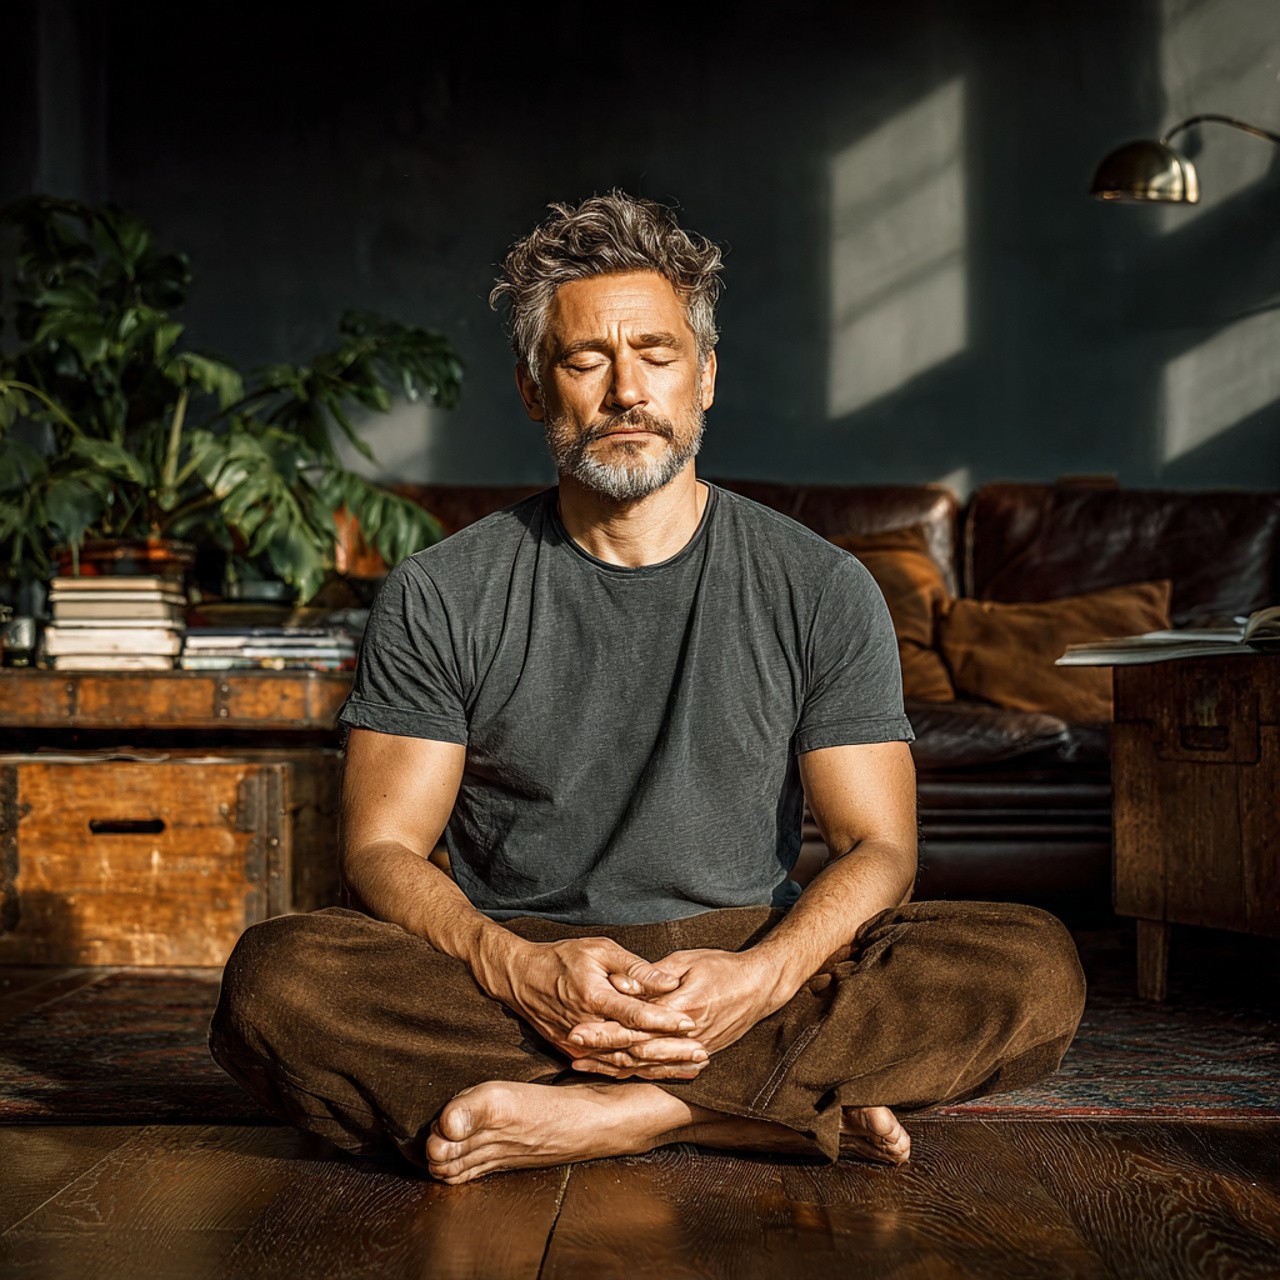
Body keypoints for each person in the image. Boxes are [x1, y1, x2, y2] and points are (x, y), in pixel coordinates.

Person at [209, 192, 1085, 1185]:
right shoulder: (441, 591)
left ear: (704, 375)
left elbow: (877, 847)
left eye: (656, 353)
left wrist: (758, 980)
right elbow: (380, 847)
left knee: (1033, 965)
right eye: (585, 359)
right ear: (536, 388)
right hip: (522, 959)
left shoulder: (820, 584)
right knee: (276, 980)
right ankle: (765, 1106)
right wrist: (524, 973)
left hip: (747, 950)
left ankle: (625, 1112)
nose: (626, 388)